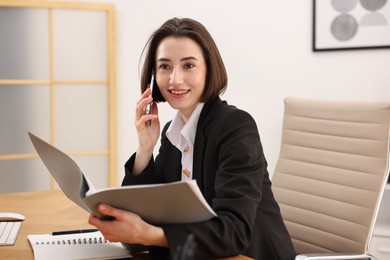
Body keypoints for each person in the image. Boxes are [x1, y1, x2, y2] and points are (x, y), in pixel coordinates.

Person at [89, 17, 296, 260]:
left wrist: (151, 235)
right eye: (165, 67)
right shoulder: (171, 135)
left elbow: (234, 232)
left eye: (188, 66)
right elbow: (142, 222)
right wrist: (145, 149)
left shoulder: (236, 127)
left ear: (209, 69)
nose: (175, 79)